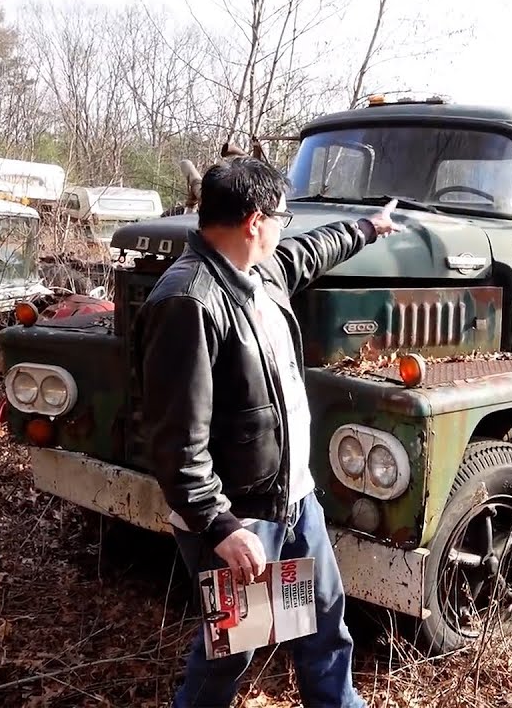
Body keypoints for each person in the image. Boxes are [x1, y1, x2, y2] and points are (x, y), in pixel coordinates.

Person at [133, 156, 401, 708]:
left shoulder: (261, 272)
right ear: (255, 219)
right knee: (232, 647)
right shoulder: (189, 301)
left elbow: (311, 250)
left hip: (294, 499)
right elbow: (175, 439)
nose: (287, 227)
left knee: (325, 624)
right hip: (239, 515)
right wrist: (219, 524)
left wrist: (369, 227)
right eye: (282, 216)